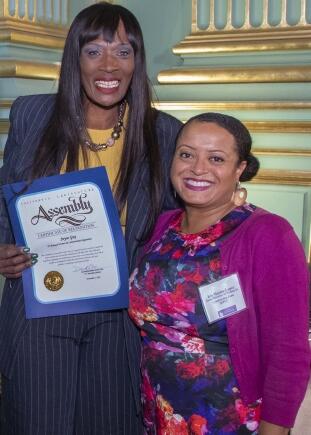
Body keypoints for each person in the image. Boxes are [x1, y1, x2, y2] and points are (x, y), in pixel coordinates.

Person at [0, 2, 182, 434]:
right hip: (40, 303)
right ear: (74, 60)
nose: (109, 66)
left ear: (137, 62)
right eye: (94, 51)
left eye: (123, 52)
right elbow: (5, 200)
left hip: (121, 314)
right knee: (36, 422)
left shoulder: (164, 132)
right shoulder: (32, 114)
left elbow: (177, 225)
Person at [129, 112, 310, 434]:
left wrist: (275, 430)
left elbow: (289, 350)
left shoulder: (268, 234)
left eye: (216, 158)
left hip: (226, 415)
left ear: (239, 168)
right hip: (157, 408)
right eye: (186, 154)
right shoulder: (161, 227)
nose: (198, 169)